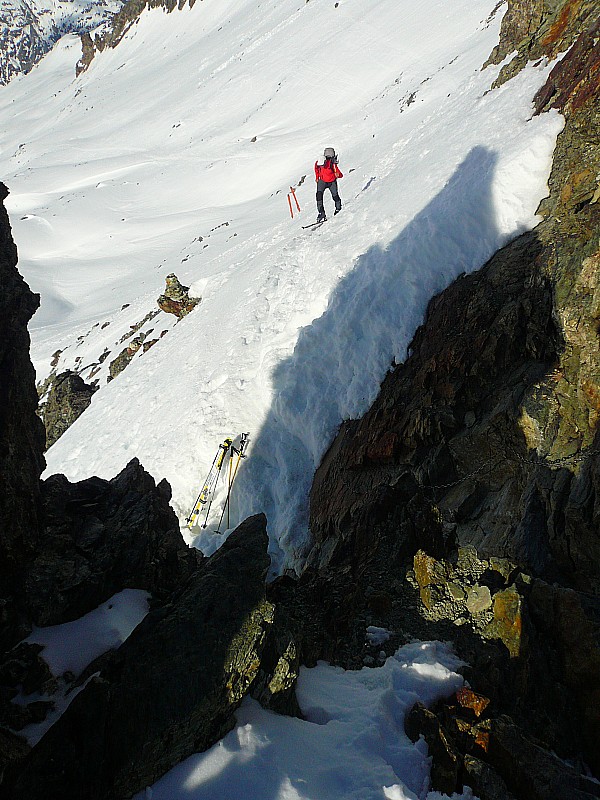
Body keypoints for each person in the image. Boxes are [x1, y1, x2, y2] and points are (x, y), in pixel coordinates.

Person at [314, 147, 343, 222]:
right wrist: (317, 177)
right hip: (323, 181)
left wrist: (338, 175)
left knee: (335, 196)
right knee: (319, 196)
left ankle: (338, 208)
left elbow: (340, 174)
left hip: (331, 181)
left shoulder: (332, 164)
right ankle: (321, 213)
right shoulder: (319, 163)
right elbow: (316, 169)